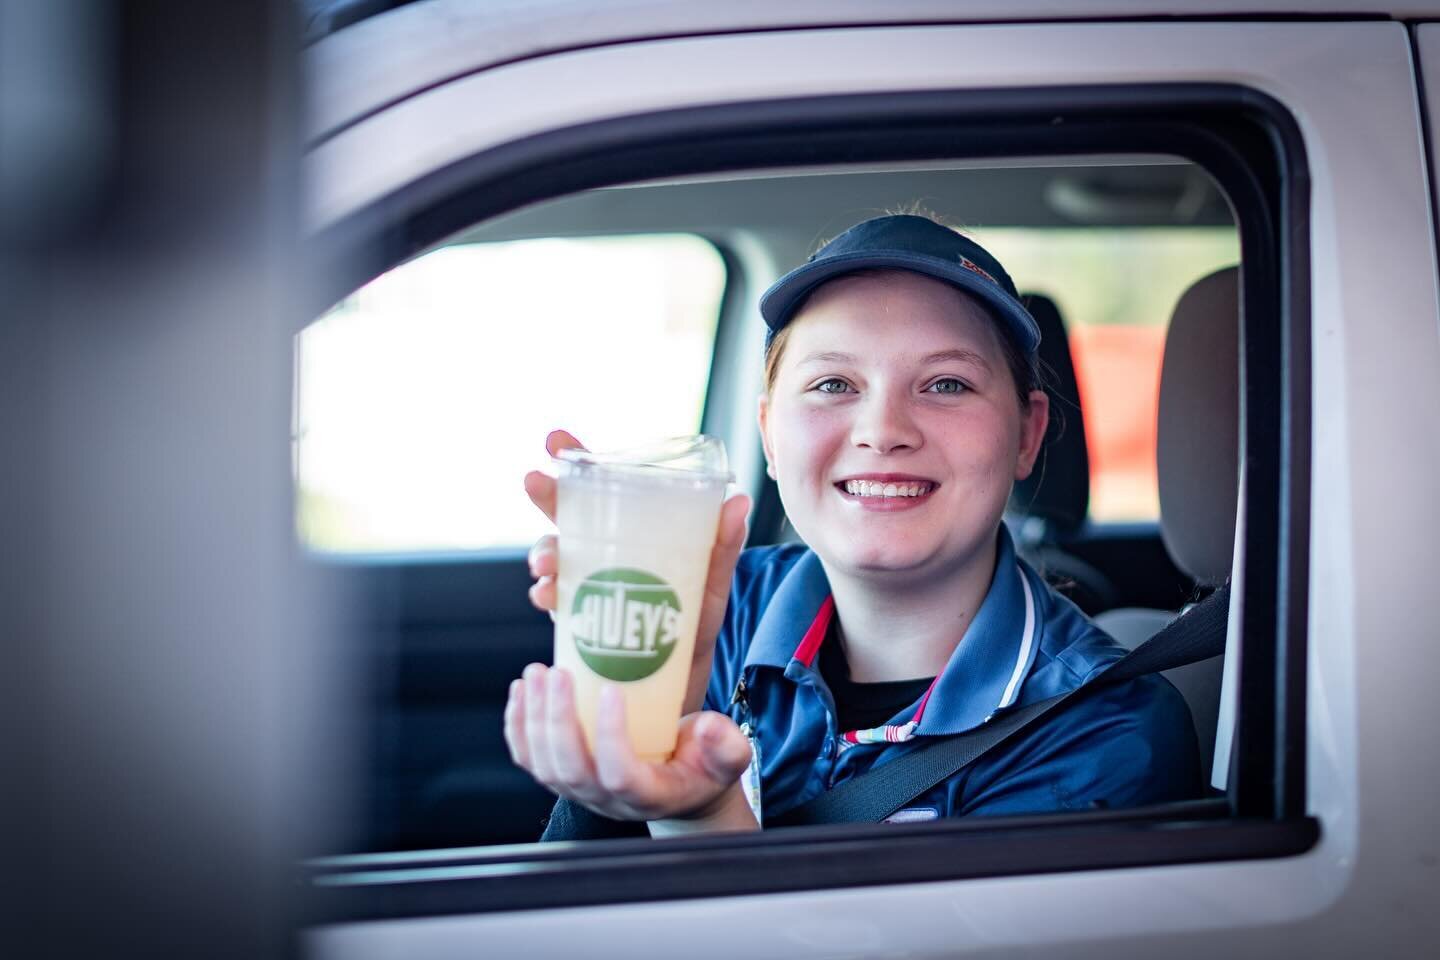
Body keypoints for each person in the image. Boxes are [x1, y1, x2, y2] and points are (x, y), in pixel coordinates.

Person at [505, 214, 1201, 840]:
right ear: (770, 436)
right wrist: (616, 746)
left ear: (1028, 435)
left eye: (947, 383)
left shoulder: (1108, 734)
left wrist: (701, 816)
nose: (883, 431)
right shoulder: (692, 615)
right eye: (833, 384)